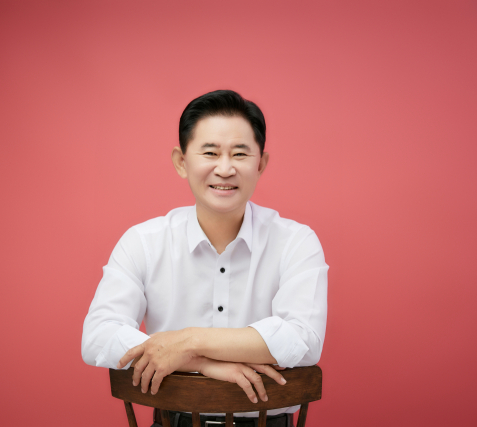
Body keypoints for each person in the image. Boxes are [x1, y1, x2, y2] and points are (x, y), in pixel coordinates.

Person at [82, 89, 329, 427]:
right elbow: (98, 336)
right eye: (210, 152)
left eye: (240, 154)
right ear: (181, 162)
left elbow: (302, 340)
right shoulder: (143, 242)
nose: (224, 169)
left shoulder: (296, 242)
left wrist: (189, 342)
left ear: (260, 164)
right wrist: (201, 363)